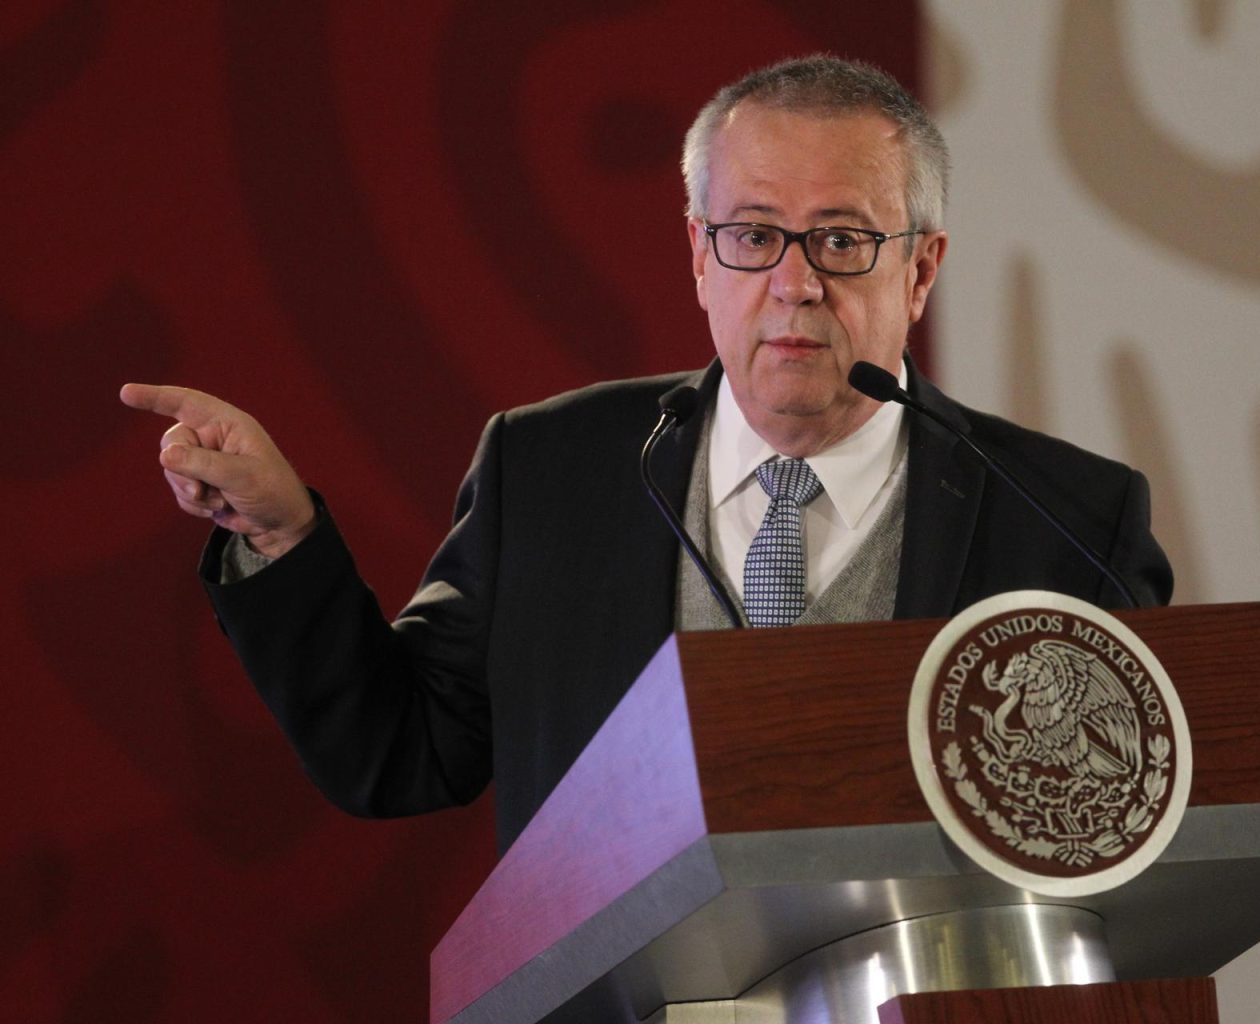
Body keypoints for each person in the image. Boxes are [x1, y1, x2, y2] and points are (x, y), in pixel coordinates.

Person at [121, 56, 1173, 855]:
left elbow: (1133, 830)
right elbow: (403, 751)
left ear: (921, 270)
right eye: (754, 234)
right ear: (698, 255)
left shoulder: (1063, 516)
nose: (795, 284)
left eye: (843, 239)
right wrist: (280, 531)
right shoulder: (553, 471)